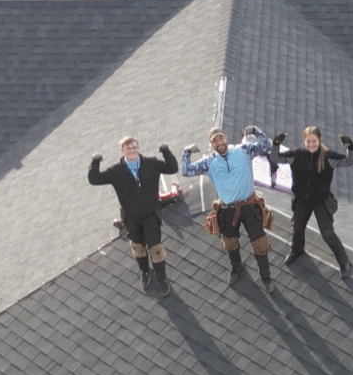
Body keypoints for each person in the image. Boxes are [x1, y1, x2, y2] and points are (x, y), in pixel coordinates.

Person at [182, 126, 276, 293]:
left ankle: (266, 278)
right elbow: (186, 170)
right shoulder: (208, 162)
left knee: (260, 243)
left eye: (221, 138)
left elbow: (266, 145)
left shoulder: (243, 150)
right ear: (211, 144)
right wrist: (186, 152)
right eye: (214, 140)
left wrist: (255, 130)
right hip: (227, 209)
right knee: (230, 243)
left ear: (226, 138)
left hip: (248, 205)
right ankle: (237, 268)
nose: (219, 143)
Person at [88, 136, 178, 296]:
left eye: (134, 147)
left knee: (156, 248)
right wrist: (95, 162)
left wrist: (165, 150)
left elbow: (172, 167)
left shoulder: (151, 163)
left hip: (151, 215)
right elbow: (94, 179)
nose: (132, 150)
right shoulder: (115, 171)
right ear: (122, 151)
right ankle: (145, 272)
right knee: (138, 247)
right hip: (132, 217)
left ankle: (162, 279)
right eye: (128, 148)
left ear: (138, 148)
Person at [269, 126, 353, 278]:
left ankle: (344, 261)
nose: (311, 144)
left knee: (327, 233)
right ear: (304, 141)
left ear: (319, 140)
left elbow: (350, 161)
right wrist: (276, 144)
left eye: (314, 141)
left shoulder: (328, 156)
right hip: (302, 200)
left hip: (321, 200)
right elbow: (275, 158)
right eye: (308, 141)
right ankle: (297, 250)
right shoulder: (297, 154)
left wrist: (350, 146)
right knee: (297, 228)